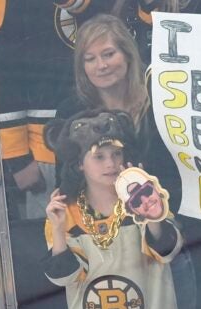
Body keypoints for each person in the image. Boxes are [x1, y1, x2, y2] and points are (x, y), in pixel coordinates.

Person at [43, 110, 183, 309]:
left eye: (117, 154)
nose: (111, 164)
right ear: (79, 164)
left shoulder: (149, 198)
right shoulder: (65, 212)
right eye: (99, 157)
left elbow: (167, 252)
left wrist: (147, 207)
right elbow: (65, 278)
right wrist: (57, 229)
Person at [56, 13, 182, 210]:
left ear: (128, 54)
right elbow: (67, 183)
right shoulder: (71, 111)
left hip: (171, 213)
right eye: (90, 59)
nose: (101, 65)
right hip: (104, 221)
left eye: (108, 54)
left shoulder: (164, 97)